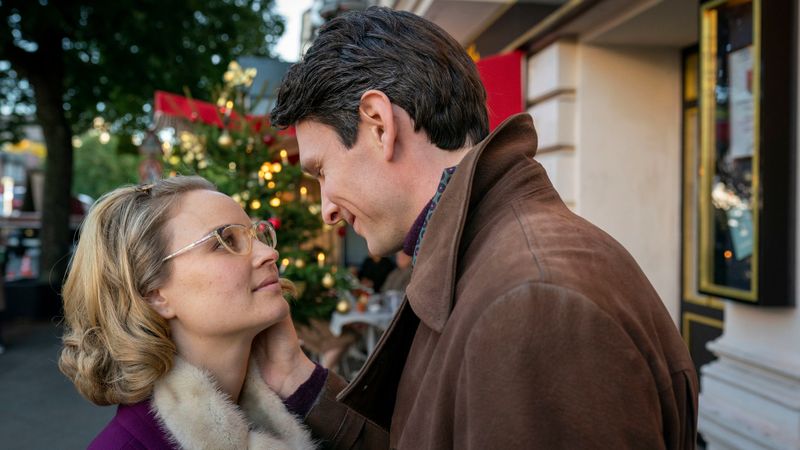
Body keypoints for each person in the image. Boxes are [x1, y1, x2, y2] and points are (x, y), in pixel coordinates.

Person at [259, 6, 698, 449]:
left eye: (320, 171)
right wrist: (293, 375)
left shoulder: (531, 301)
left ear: (378, 124)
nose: (326, 209)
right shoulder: (497, 267)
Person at [58, 176, 315, 450]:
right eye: (224, 241)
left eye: (255, 234)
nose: (268, 253)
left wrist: (298, 374)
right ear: (154, 293)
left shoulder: (291, 406)